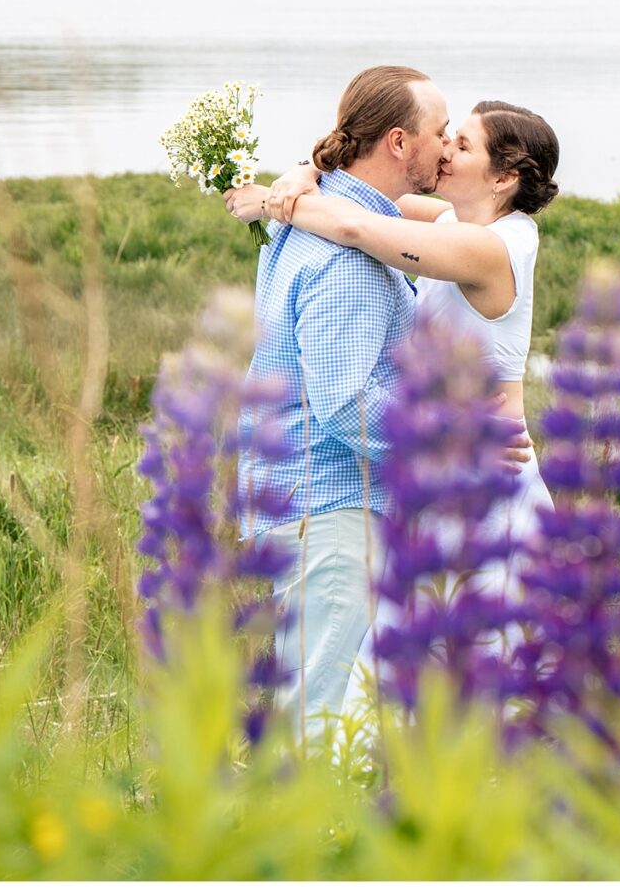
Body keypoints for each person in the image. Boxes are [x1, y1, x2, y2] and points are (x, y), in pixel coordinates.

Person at [227, 97, 562, 711]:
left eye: (462, 145)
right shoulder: (450, 225)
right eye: (447, 137)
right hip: (429, 470)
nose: (445, 150)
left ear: (505, 176)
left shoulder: (498, 248)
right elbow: (361, 192)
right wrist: (301, 174)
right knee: (395, 672)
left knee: (482, 665)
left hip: (484, 476)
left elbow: (356, 226)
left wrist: (288, 203)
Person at [231, 63, 445, 748]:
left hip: (298, 497)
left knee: (310, 703)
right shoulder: (347, 256)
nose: (446, 145)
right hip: (328, 507)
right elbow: (345, 402)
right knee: (318, 717)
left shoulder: (310, 218)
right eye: (440, 131)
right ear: (398, 142)